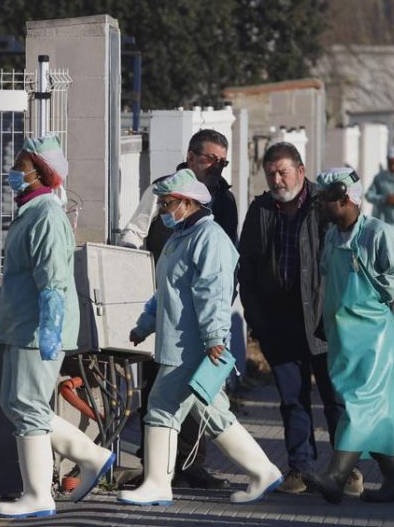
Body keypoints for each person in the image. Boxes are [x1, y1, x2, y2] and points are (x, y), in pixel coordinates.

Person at [117, 169, 283, 506]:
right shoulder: (181, 237)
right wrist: (145, 324)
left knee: (162, 408)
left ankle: (157, 483)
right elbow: (165, 292)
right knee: (214, 414)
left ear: (188, 202)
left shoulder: (210, 239)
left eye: (167, 203)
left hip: (192, 346)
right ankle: (264, 471)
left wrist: (213, 341)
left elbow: (214, 295)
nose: (162, 209)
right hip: (182, 342)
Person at [0, 134, 115, 519]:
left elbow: (53, 280)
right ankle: (92, 455)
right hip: (23, 324)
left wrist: (49, 327)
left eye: (20, 166)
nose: (14, 172)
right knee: (15, 403)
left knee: (26, 405)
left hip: (36, 328)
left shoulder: (45, 216)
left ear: (39, 173)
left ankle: (38, 494)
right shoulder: (32, 212)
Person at [117, 128, 235, 490]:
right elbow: (133, 234)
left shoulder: (222, 202)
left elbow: (219, 268)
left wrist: (216, 324)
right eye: (209, 158)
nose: (215, 166)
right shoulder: (161, 190)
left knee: (200, 399)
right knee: (164, 394)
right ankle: (156, 468)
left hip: (200, 318)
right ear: (190, 155)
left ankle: (187, 465)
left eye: (222, 161)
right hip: (166, 308)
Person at [238, 143, 357, 495]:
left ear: (301, 171)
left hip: (324, 321)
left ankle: (346, 470)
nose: (277, 179)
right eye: (271, 173)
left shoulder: (326, 204)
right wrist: (256, 319)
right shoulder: (260, 210)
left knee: (335, 398)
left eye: (283, 172)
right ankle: (300, 469)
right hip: (280, 323)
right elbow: (247, 269)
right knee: (292, 399)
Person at [306, 168, 394, 504]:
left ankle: (336, 477)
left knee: (359, 403)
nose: (321, 205)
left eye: (326, 199)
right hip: (343, 335)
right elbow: (329, 280)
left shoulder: (378, 233)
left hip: (373, 337)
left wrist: (371, 298)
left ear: (345, 198)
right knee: (376, 412)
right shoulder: (333, 236)